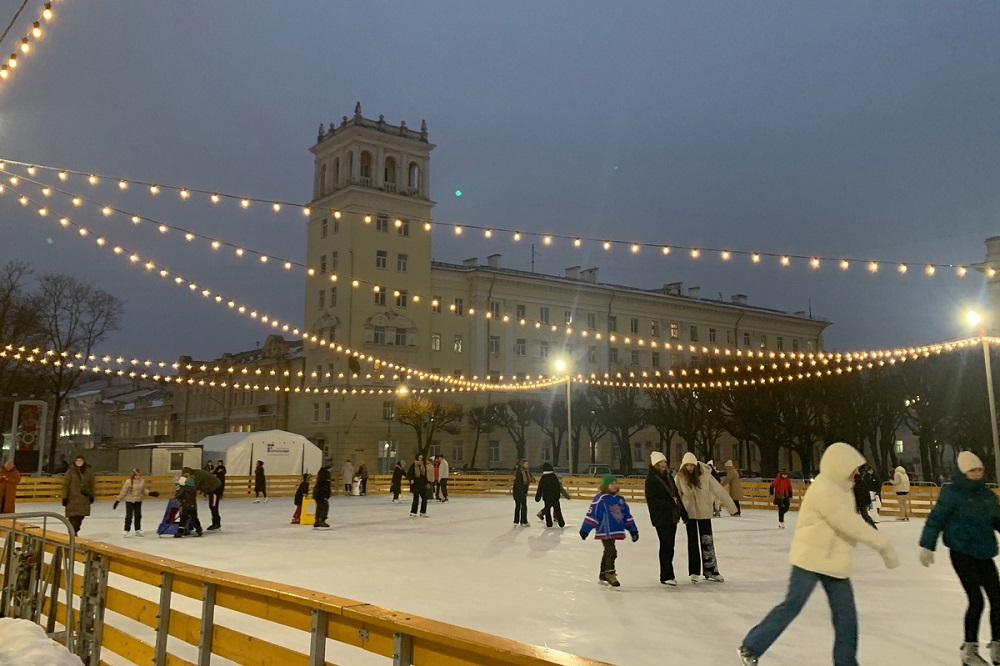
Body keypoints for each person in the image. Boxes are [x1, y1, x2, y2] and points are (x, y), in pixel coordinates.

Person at [738, 443, 900, 666]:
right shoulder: (825, 488)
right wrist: (883, 544)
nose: (858, 472)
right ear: (841, 466)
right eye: (854, 468)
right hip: (810, 560)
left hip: (834, 562)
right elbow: (849, 523)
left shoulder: (842, 489)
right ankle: (751, 646)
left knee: (846, 619)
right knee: (792, 607)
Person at [919, 451, 1000, 666]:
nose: (977, 473)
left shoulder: (987, 495)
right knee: (977, 601)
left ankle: (998, 647)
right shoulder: (952, 493)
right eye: (972, 470)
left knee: (998, 599)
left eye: (979, 469)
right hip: (962, 553)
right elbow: (936, 519)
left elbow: (997, 519)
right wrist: (927, 545)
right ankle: (969, 650)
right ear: (963, 472)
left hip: (984, 552)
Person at [675, 452, 737, 583]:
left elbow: (719, 491)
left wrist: (731, 507)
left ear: (696, 464)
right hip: (689, 514)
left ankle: (711, 570)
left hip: (704, 513)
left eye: (692, 465)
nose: (690, 468)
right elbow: (675, 495)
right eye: (687, 465)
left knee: (707, 541)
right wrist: (677, 511)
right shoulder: (680, 477)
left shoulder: (706, 476)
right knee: (692, 543)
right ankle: (694, 571)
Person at [579, 474, 639, 587]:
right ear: (606, 486)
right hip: (605, 530)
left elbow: (627, 516)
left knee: (607, 551)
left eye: (616, 483)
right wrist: (585, 529)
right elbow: (593, 514)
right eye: (612, 484)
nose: (615, 485)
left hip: (615, 529)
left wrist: (633, 530)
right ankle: (610, 574)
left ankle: (602, 573)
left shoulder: (620, 499)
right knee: (612, 551)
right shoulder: (601, 499)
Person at [645, 451, 686, 586]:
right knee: (666, 545)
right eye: (660, 463)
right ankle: (666, 575)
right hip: (660, 517)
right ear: (655, 464)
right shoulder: (651, 479)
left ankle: (668, 574)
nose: (663, 464)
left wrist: (682, 511)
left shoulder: (668, 477)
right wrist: (671, 503)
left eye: (664, 462)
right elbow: (652, 500)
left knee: (670, 546)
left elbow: (676, 494)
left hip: (671, 516)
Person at [62, 455, 95, 535]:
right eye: (77, 461)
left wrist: (92, 495)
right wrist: (64, 497)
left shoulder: (88, 471)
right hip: (72, 498)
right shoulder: (70, 471)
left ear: (84, 461)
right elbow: (65, 485)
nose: (79, 462)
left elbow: (92, 484)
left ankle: (75, 530)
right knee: (73, 517)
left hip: (83, 498)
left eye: (81, 461)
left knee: (80, 516)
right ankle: (73, 533)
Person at [534, 462, 571, 528]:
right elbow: (558, 487)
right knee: (558, 510)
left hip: (547, 497)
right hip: (555, 497)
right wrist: (558, 495)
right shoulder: (554, 477)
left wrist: (537, 498)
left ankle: (549, 523)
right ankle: (561, 523)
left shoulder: (544, 478)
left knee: (548, 511)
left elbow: (540, 488)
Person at [115, 468, 148, 537]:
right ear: (133, 474)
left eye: (139, 475)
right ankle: (126, 530)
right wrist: (118, 500)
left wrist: (150, 493)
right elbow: (123, 492)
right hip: (129, 500)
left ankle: (137, 530)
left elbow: (144, 490)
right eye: (136, 475)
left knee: (138, 516)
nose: (137, 476)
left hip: (138, 500)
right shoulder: (128, 482)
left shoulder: (142, 481)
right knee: (129, 516)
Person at [512, 459, 534, 526]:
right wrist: (523, 492)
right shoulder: (519, 472)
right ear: (522, 464)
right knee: (519, 506)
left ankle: (522, 521)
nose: (527, 465)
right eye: (525, 464)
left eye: (527, 464)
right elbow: (518, 483)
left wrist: (532, 479)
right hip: (518, 491)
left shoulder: (527, 471)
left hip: (523, 490)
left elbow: (531, 478)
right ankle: (518, 521)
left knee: (522, 506)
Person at [208, 460, 226, 531]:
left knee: (213, 507)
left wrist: (220, 493)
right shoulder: (217, 476)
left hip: (215, 492)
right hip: (213, 492)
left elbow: (221, 485)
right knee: (212, 507)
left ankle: (216, 523)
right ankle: (215, 522)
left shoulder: (220, 477)